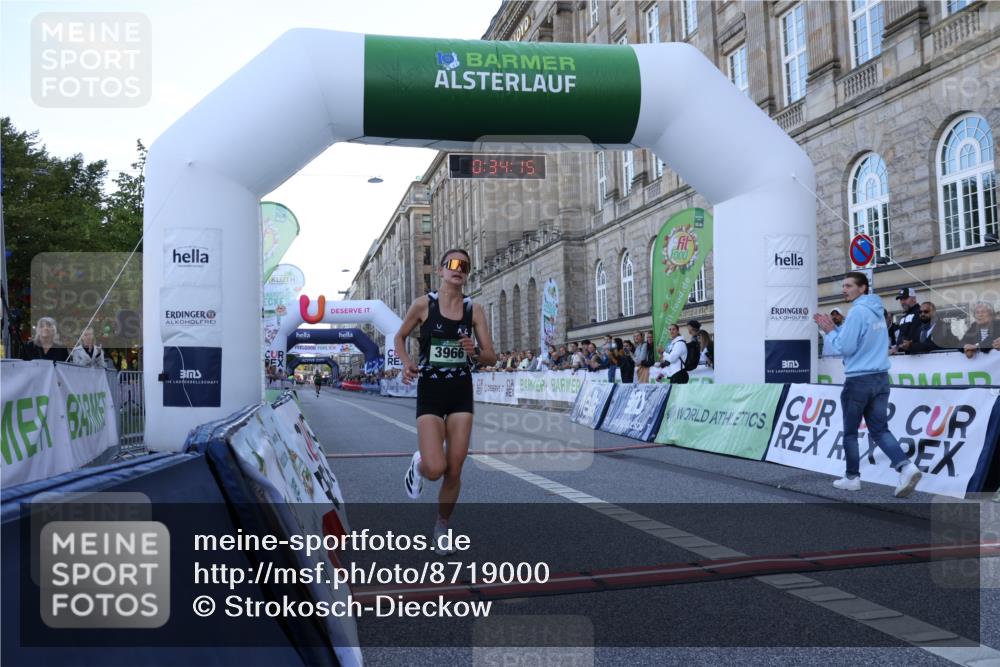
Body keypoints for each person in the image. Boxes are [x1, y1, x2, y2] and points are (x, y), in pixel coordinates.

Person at [396, 249, 496, 555]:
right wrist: (406, 362)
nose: (458, 269)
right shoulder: (424, 305)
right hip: (431, 391)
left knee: (455, 469)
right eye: (452, 264)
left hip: (460, 391)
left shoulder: (473, 310)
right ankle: (420, 462)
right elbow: (399, 337)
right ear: (440, 271)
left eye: (464, 266)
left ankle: (442, 526)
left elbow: (491, 357)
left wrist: (474, 351)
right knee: (436, 468)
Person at [814, 272, 922, 497]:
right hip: (881, 377)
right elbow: (861, 341)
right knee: (880, 429)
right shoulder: (877, 313)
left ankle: (852, 478)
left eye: (849, 285)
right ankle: (906, 466)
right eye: (843, 285)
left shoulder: (857, 312)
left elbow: (845, 347)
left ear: (862, 288)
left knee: (851, 432)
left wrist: (830, 332)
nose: (844, 289)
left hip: (859, 379)